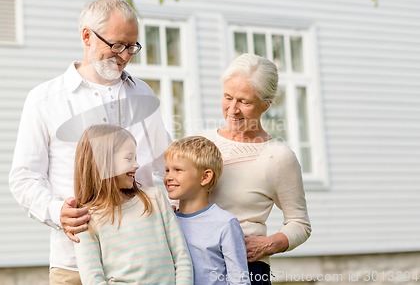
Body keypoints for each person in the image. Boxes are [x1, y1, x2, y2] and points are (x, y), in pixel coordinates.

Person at [9, 0, 170, 285]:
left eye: (132, 46)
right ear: (87, 36)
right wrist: (58, 212)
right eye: (117, 45)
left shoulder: (143, 94)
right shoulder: (44, 99)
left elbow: (167, 166)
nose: (125, 55)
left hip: (145, 262)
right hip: (76, 263)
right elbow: (24, 177)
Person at [199, 53, 311, 285]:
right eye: (228, 97)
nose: (232, 109)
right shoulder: (201, 143)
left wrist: (270, 243)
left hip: (247, 267)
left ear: (266, 104)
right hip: (197, 262)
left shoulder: (278, 157)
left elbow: (300, 223)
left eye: (244, 101)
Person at [73, 124, 193, 285]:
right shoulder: (86, 220)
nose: (136, 165)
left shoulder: (155, 198)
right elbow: (93, 280)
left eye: (136, 158)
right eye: (129, 158)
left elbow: (181, 256)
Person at [164, 136, 250, 285]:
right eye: (167, 170)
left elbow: (239, 280)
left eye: (178, 170)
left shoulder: (225, 223)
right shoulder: (167, 220)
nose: (168, 177)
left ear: (205, 177)